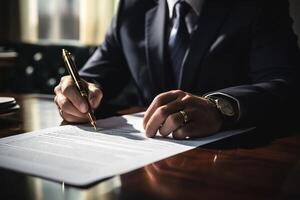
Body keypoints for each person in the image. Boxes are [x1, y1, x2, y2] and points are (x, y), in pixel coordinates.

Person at [54, 0, 300, 139]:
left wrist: (219, 108)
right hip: (145, 169)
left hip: (235, 167)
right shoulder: (131, 8)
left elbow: (285, 84)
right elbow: (94, 77)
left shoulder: (259, 5)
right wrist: (76, 92)